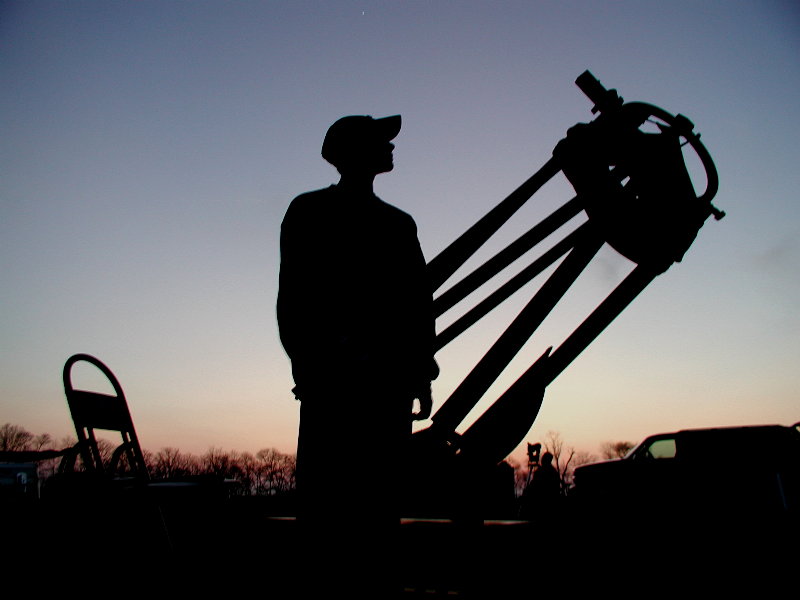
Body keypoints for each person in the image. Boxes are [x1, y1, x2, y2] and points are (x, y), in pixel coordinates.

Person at [276, 114, 438, 594]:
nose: (391, 147)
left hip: (375, 388)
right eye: (381, 141)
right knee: (334, 514)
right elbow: (296, 298)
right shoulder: (312, 212)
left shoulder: (396, 223)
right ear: (353, 153)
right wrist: (315, 363)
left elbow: (417, 306)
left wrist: (420, 373)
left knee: (374, 515)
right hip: (341, 387)